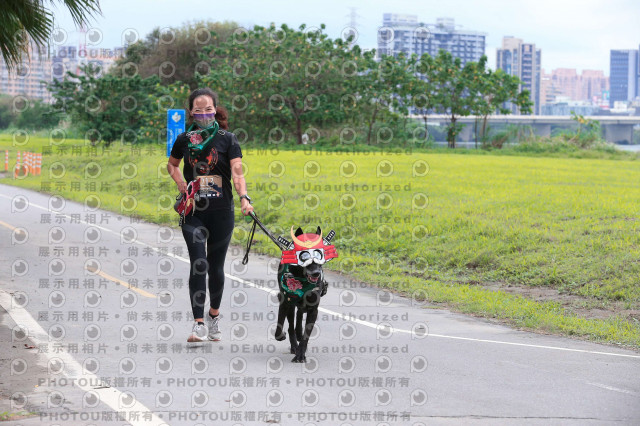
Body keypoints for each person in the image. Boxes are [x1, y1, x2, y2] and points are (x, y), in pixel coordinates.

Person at [167, 88, 254, 343]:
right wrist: (182, 184)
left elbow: (237, 173)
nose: (203, 114)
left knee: (215, 267)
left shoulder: (228, 139)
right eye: (198, 109)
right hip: (193, 211)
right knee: (199, 264)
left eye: (208, 109)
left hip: (222, 212)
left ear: (215, 109)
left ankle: (214, 316)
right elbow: (171, 165)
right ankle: (198, 324)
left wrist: (244, 198)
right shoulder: (184, 140)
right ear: (191, 111)